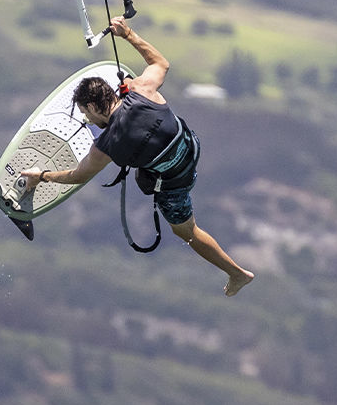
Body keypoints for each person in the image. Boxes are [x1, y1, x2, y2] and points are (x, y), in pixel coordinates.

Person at [22, 16, 254, 297]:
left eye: (86, 113)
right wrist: (128, 34)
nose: (87, 120)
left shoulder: (106, 145)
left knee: (187, 232)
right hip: (191, 149)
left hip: (175, 183)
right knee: (151, 155)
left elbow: (77, 176)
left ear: (95, 106)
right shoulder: (140, 90)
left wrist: (42, 176)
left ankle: (237, 273)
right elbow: (161, 64)